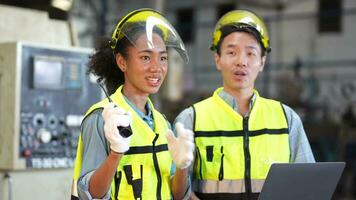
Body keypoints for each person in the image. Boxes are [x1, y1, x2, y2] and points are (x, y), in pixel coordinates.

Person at [174, 9, 315, 200]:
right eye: (232, 52)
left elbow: (307, 186)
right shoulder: (191, 120)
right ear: (218, 60)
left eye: (251, 53)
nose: (241, 61)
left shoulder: (286, 119)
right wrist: (182, 170)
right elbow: (176, 193)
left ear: (262, 62)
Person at [71, 8, 195, 200]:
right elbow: (91, 195)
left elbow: (177, 195)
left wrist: (182, 167)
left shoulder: (162, 124)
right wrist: (115, 153)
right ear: (122, 62)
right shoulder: (101, 118)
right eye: (145, 57)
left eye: (163, 58)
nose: (157, 68)